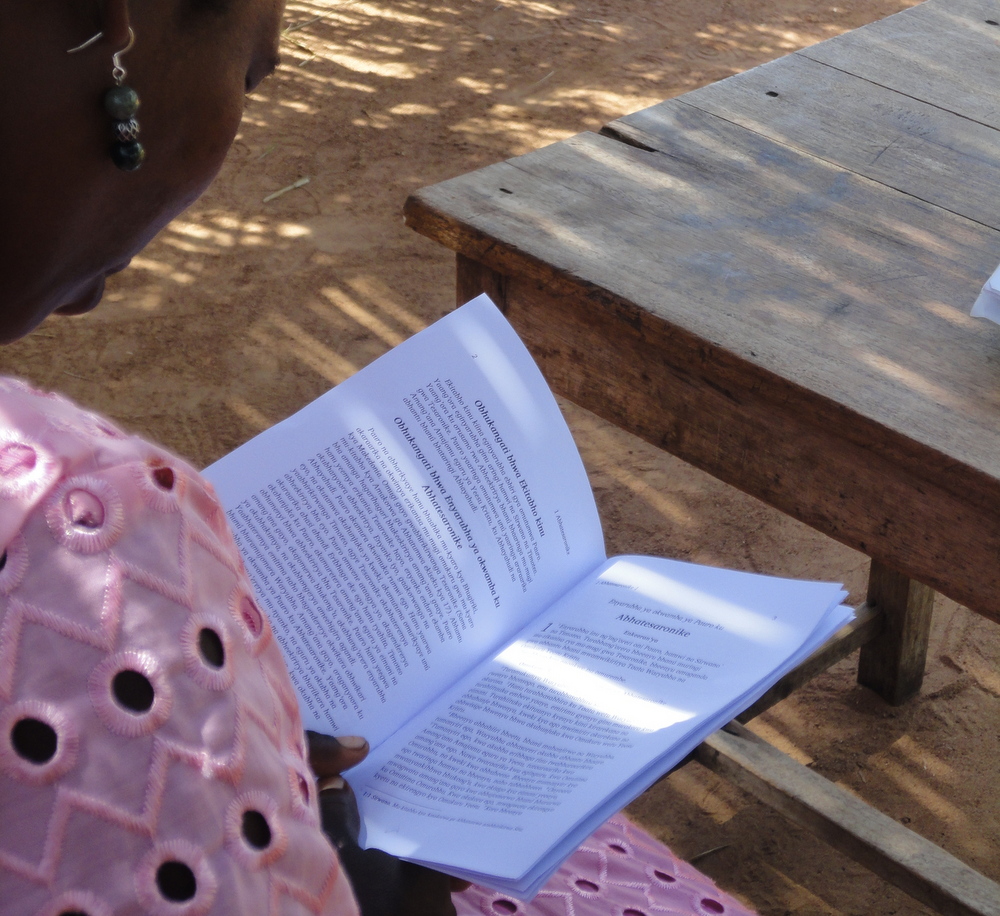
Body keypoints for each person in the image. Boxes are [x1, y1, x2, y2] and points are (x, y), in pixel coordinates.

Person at [0, 3, 758, 915]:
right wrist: (365, 888)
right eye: (247, 75)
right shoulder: (76, 530)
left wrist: (212, 789)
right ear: (113, 25)